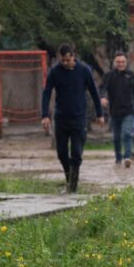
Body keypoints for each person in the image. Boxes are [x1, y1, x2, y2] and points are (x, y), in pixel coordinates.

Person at [40, 44, 104, 193]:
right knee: (62, 153)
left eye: (67, 60)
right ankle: (70, 180)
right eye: (62, 60)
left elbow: (94, 92)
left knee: (76, 154)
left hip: (79, 118)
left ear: (73, 56)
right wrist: (45, 115)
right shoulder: (55, 71)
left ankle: (72, 188)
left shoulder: (84, 70)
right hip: (61, 118)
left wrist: (100, 114)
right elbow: (46, 93)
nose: (65, 63)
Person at [100, 52, 134, 168]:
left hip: (128, 111)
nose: (120, 64)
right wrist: (102, 97)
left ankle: (127, 157)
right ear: (114, 62)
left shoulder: (132, 76)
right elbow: (102, 88)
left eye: (122, 62)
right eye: (118, 62)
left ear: (126, 62)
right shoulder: (109, 76)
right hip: (114, 112)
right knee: (116, 137)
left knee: (127, 134)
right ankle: (118, 157)